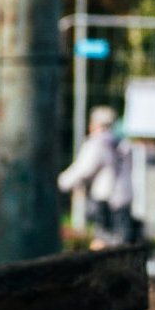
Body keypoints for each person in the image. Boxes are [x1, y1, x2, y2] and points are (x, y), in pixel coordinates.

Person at [58, 106, 133, 248]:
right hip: (124, 197)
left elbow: (83, 170)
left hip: (105, 198)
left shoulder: (98, 143)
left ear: (95, 123)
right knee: (120, 242)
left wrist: (59, 183)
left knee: (103, 240)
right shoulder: (122, 143)